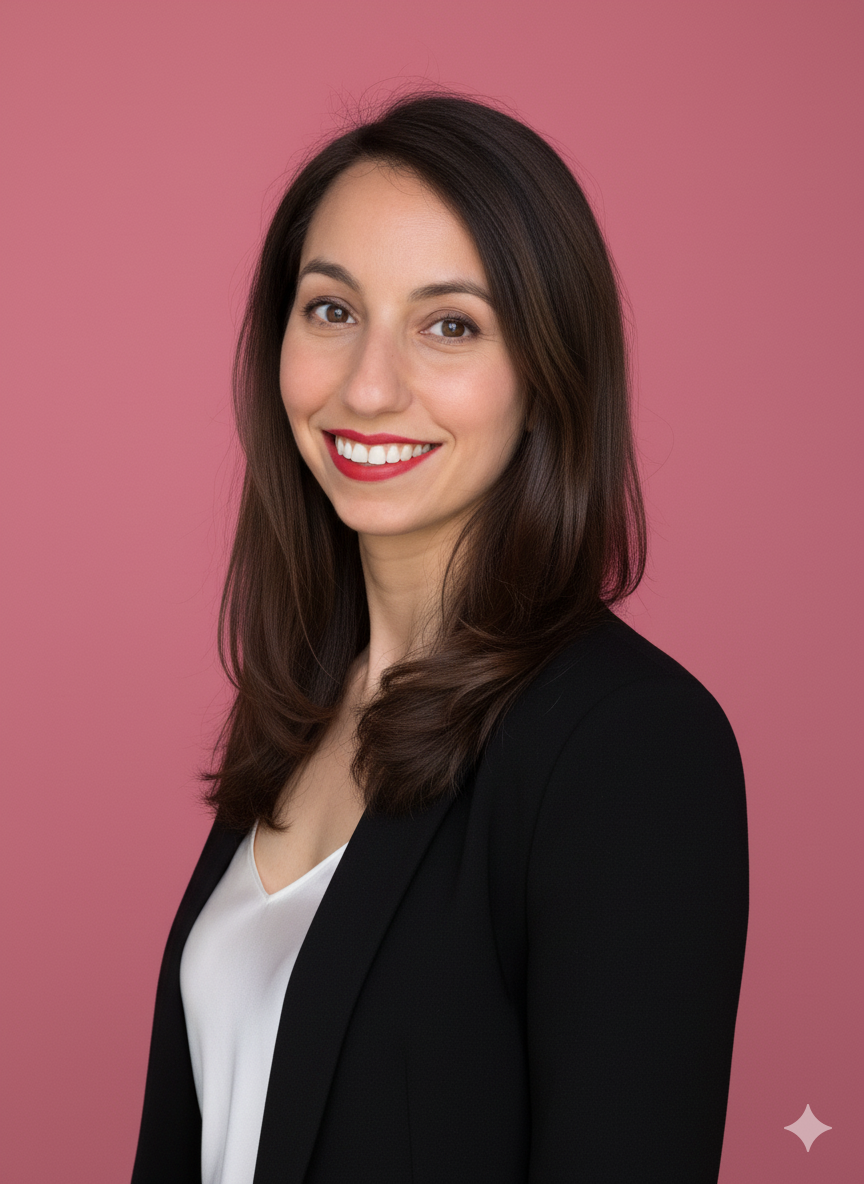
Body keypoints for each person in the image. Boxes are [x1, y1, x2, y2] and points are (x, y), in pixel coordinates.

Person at [131, 92, 749, 1184]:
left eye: (448, 324)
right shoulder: (299, 708)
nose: (368, 385)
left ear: (545, 378)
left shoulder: (631, 747)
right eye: (332, 310)